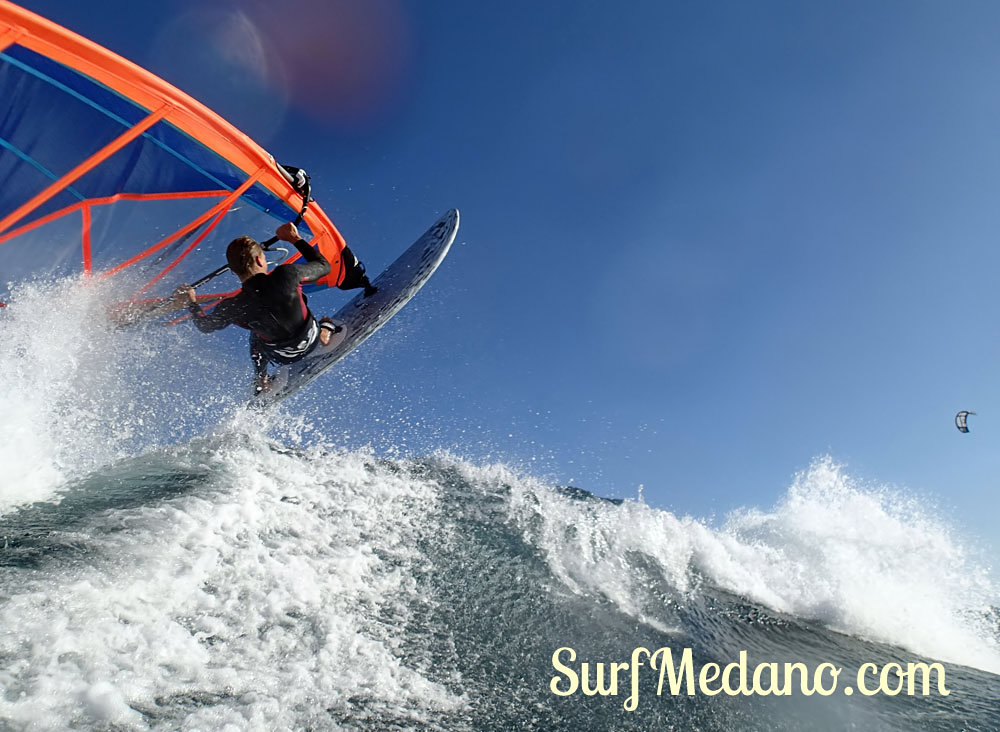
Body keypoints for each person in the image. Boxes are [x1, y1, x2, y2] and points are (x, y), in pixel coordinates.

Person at [172, 221, 375, 394]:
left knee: (255, 336)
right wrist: (295, 239)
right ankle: (325, 331)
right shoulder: (287, 275)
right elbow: (324, 265)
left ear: (234, 271)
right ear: (261, 259)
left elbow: (204, 325)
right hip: (311, 339)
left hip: (281, 356)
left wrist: (191, 302)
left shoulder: (232, 306)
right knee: (299, 298)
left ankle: (262, 379)